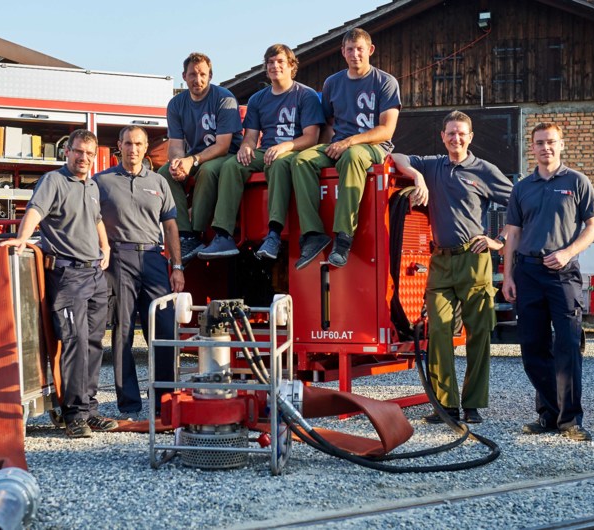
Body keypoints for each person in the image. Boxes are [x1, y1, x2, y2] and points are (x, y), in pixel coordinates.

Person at [391, 111, 512, 425]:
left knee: (478, 334)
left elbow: (519, 204)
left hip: (474, 259)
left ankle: (471, 406)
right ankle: (446, 406)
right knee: (440, 333)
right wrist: (418, 177)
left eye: (461, 134)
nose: (456, 139)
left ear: (470, 137)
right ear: (443, 137)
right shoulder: (433, 166)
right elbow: (397, 155)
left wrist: (498, 239)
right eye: (450, 133)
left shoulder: (484, 170)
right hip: (441, 261)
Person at [0, 128, 117, 439]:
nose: (84, 158)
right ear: (67, 152)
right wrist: (23, 239)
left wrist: (105, 248)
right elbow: (36, 210)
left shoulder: (91, 185)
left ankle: (89, 410)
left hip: (94, 275)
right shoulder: (53, 181)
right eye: (79, 152)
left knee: (93, 343)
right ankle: (73, 414)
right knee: (75, 342)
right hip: (67, 276)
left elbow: (97, 219)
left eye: (89, 154)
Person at [502, 122, 594, 442]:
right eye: (540, 142)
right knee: (532, 347)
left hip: (563, 274)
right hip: (527, 273)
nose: (546, 147)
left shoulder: (577, 182)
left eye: (551, 142)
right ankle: (548, 414)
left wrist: (568, 251)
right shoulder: (522, 187)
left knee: (569, 345)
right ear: (532, 147)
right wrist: (507, 276)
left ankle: (570, 420)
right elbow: (512, 235)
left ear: (561, 145)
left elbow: (593, 227)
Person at [197, 44, 324, 260]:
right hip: (266, 150)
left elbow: (311, 137)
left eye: (280, 62)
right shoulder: (257, 99)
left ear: (291, 65)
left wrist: (284, 146)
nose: (275, 66)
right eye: (271, 63)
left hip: (295, 150)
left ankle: (273, 234)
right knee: (231, 165)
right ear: (266, 68)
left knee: (277, 163)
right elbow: (251, 137)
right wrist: (246, 147)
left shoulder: (306, 95)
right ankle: (223, 235)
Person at [94, 126, 185, 420]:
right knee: (122, 333)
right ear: (119, 146)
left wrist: (177, 266)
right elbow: (89, 219)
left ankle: (164, 403)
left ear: (146, 148)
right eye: (128, 144)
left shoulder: (159, 182)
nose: (133, 149)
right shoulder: (102, 182)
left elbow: (170, 226)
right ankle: (129, 405)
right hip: (119, 259)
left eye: (138, 144)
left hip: (154, 259)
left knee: (164, 331)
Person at [291, 27, 401, 270]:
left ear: (370, 50)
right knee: (300, 160)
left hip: (373, 147)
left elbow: (386, 130)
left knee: (351, 156)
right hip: (339, 144)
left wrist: (348, 142)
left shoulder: (386, 82)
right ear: (342, 52)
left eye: (360, 49)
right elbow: (329, 124)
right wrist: (331, 145)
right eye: (349, 49)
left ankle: (343, 237)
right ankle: (313, 234)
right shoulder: (332, 82)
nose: (355, 54)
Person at [158, 52, 243, 263]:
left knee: (208, 169)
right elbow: (176, 145)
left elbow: (223, 145)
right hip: (194, 155)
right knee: (163, 174)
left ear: (211, 75)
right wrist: (178, 162)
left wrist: (192, 161)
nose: (198, 80)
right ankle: (186, 235)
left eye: (203, 74)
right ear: (184, 76)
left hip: (225, 155)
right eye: (192, 75)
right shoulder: (176, 104)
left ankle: (197, 231)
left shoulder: (224, 98)